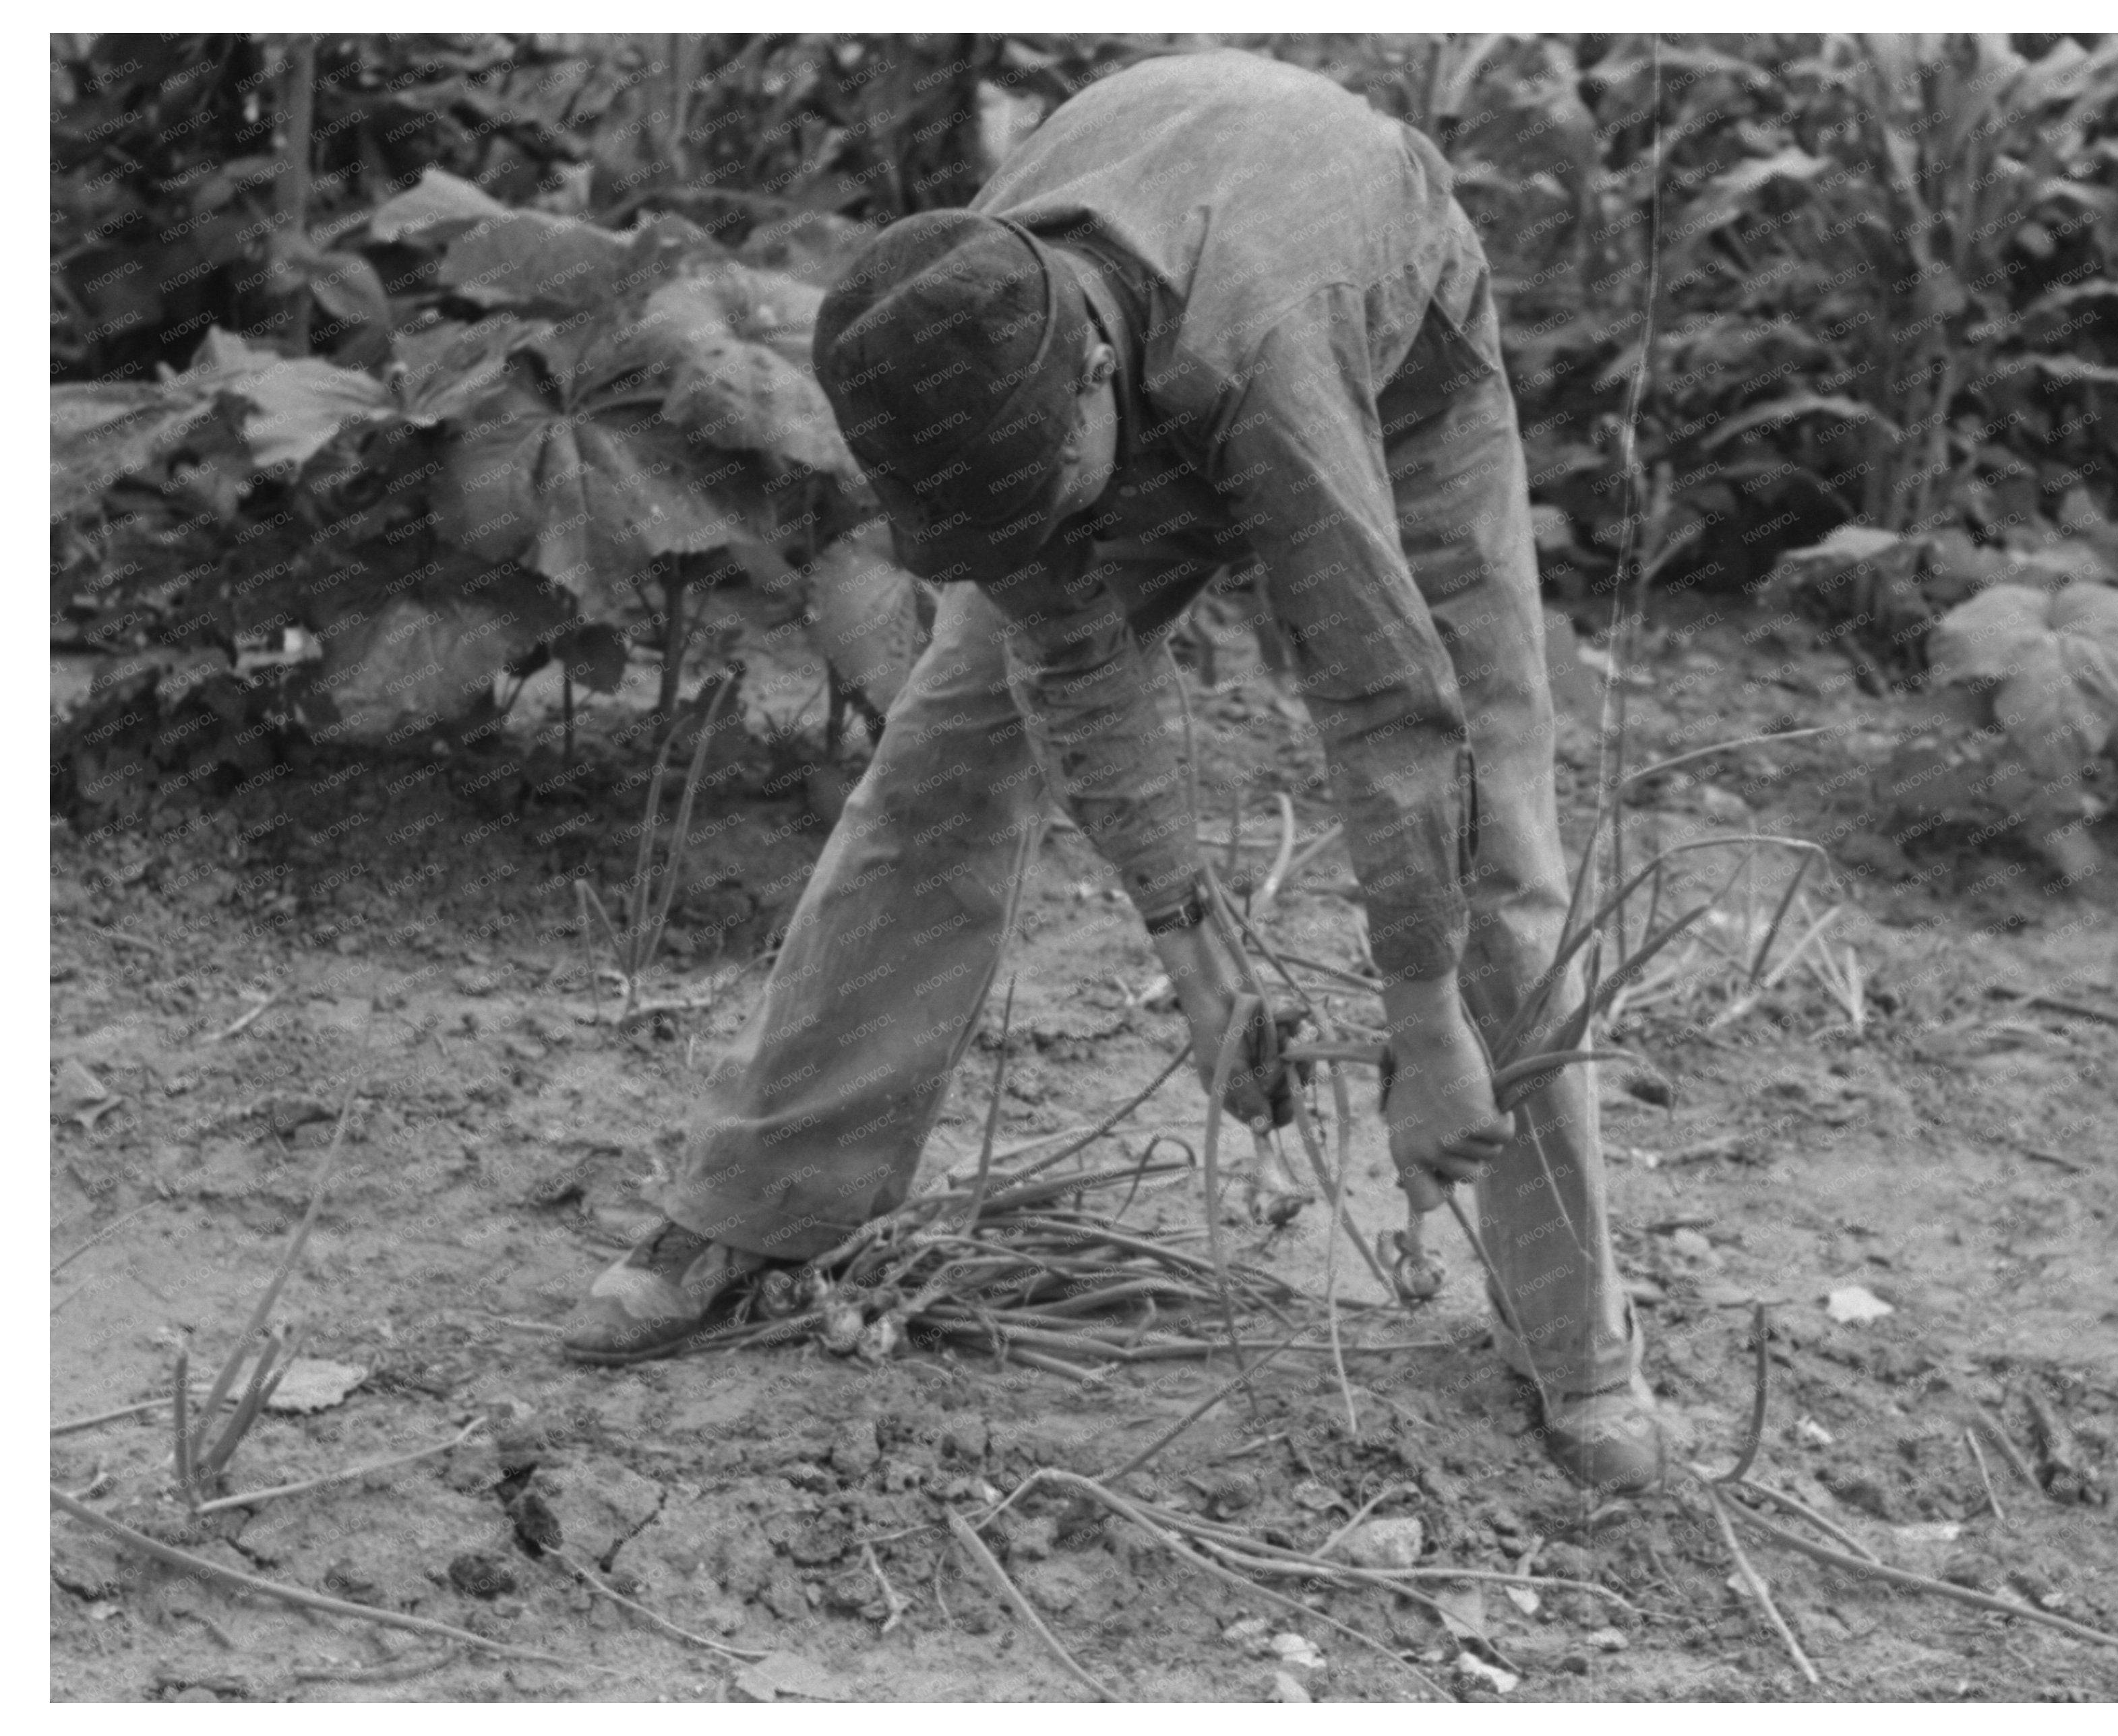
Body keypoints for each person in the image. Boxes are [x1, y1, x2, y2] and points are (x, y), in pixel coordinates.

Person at [562, 48, 1664, 1490]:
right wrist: (1194, 956)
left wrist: (1424, 1020)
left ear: (1091, 381)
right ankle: (760, 1199)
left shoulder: (1272, 353)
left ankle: (1575, 1344)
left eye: (1037, 502)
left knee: (1495, 847)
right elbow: (1069, 649)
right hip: (1146, 309)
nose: (1030, 545)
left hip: (1383, 354)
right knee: (939, 768)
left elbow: (1386, 700)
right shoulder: (965, 321)